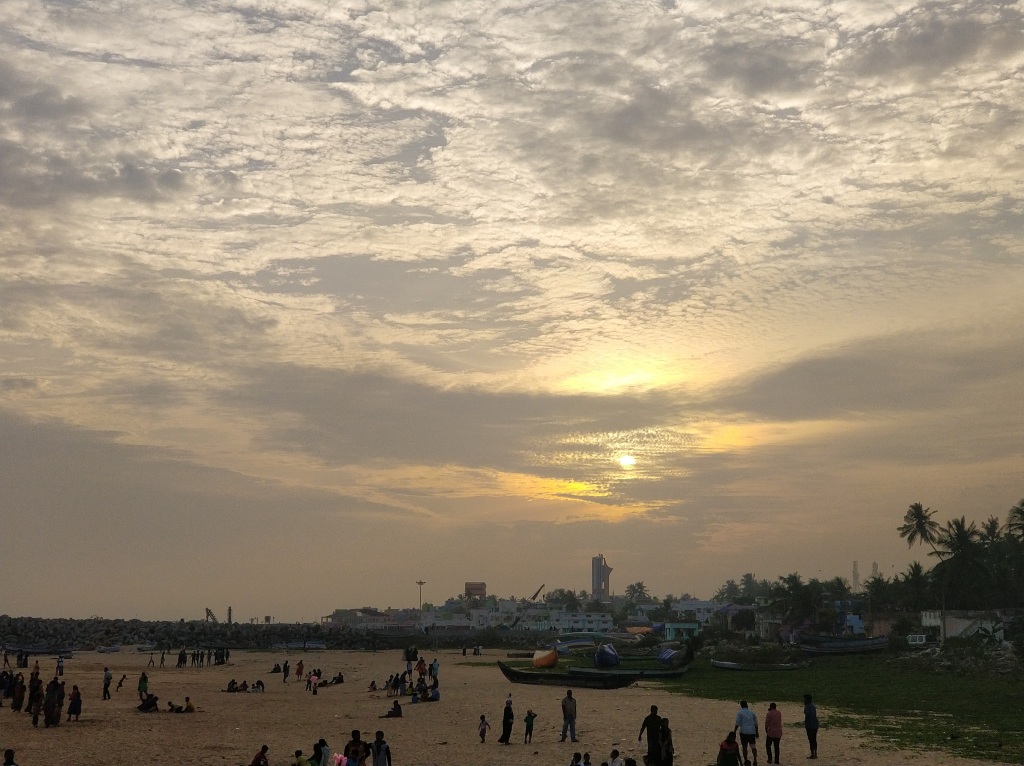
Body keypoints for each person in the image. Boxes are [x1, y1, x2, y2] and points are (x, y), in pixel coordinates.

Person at [734, 699, 759, 766]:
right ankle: (755, 759)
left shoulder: (740, 713)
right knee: (753, 746)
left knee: (744, 747)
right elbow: (756, 724)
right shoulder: (752, 713)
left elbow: (737, 723)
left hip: (744, 732)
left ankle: (745, 760)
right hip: (752, 732)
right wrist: (757, 732)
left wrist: (734, 731)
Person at [803, 694, 819, 760]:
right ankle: (815, 754)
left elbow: (808, 715)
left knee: (811, 740)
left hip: (810, 725)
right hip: (815, 725)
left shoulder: (807, 707)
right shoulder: (813, 706)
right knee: (814, 739)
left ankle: (813, 754)